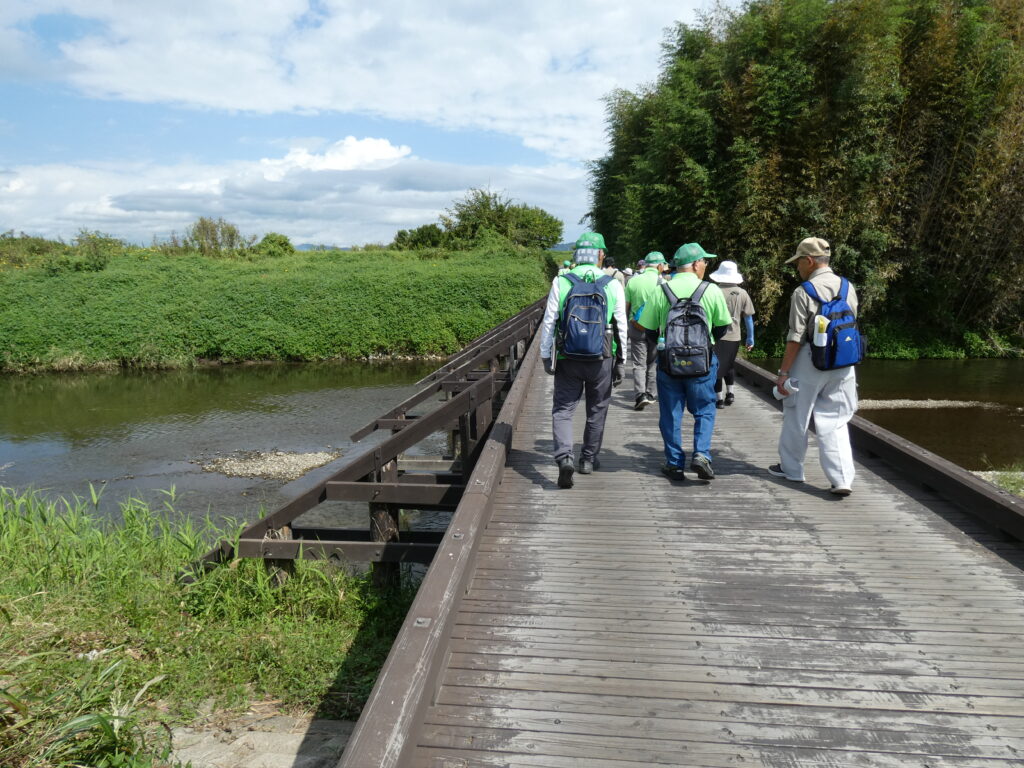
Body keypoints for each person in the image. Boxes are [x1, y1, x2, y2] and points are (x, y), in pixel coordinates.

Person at [769, 237, 858, 496]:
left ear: (809, 261)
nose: (797, 267)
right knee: (836, 420)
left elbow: (795, 337)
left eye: (798, 262)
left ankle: (792, 469)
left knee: (797, 415)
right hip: (843, 361)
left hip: (810, 359)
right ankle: (842, 478)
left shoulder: (803, 291)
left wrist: (783, 373)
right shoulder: (847, 287)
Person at [539, 233, 628, 489]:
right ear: (601, 255)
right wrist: (621, 360)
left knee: (563, 410)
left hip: (568, 356)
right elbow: (621, 325)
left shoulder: (562, 281)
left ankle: (564, 457)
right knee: (597, 409)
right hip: (601, 357)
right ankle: (588, 459)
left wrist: (546, 355)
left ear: (577, 254)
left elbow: (549, 321)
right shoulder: (612, 284)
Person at [639, 243, 731, 482]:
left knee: (671, 414)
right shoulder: (710, 290)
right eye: (705, 261)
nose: (706, 266)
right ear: (696, 263)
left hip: (669, 363)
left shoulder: (661, 290)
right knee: (705, 410)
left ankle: (674, 463)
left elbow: (649, 330)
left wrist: (669, 346)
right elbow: (722, 327)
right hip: (702, 362)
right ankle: (701, 455)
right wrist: (704, 343)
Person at [624, 251, 669, 411]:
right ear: (659, 265)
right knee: (653, 363)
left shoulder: (633, 281)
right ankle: (651, 393)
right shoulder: (664, 284)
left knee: (638, 363)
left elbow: (626, 308)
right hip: (656, 329)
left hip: (636, 327)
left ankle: (640, 395)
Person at [708, 259, 755, 408]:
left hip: (715, 336)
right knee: (729, 365)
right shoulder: (742, 293)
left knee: (715, 366)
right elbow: (748, 318)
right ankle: (730, 393)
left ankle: (719, 399)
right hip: (734, 336)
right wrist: (750, 338)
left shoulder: (712, 291)